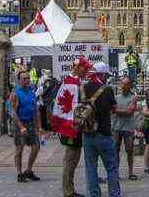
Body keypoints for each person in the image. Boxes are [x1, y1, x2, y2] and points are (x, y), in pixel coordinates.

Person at [82, 62, 121, 197]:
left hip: (87, 134)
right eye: (106, 75)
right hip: (104, 133)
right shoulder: (108, 90)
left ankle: (94, 194)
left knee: (91, 168)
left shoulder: (83, 88)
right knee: (111, 168)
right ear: (102, 74)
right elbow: (114, 110)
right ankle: (114, 194)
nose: (107, 78)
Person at [59, 57, 90, 197]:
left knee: (73, 159)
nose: (87, 70)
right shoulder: (73, 83)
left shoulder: (72, 81)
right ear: (77, 68)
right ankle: (68, 191)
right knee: (70, 160)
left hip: (71, 126)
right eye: (85, 67)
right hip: (71, 127)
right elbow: (74, 108)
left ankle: (69, 189)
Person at [10, 70, 41, 183]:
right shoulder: (15, 94)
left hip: (31, 123)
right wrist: (21, 127)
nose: (27, 81)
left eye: (28, 78)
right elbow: (13, 112)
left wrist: (39, 126)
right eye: (24, 79)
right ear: (19, 80)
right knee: (19, 149)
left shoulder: (32, 92)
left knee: (36, 147)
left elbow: (36, 110)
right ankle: (19, 173)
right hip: (20, 124)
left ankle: (28, 170)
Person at [113, 76, 138, 181]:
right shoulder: (116, 97)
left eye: (126, 84)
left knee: (130, 150)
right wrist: (122, 111)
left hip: (128, 128)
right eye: (123, 84)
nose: (124, 86)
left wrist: (117, 111)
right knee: (115, 151)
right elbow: (112, 110)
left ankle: (131, 172)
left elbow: (129, 112)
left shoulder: (133, 97)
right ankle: (116, 173)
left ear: (130, 86)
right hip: (117, 127)